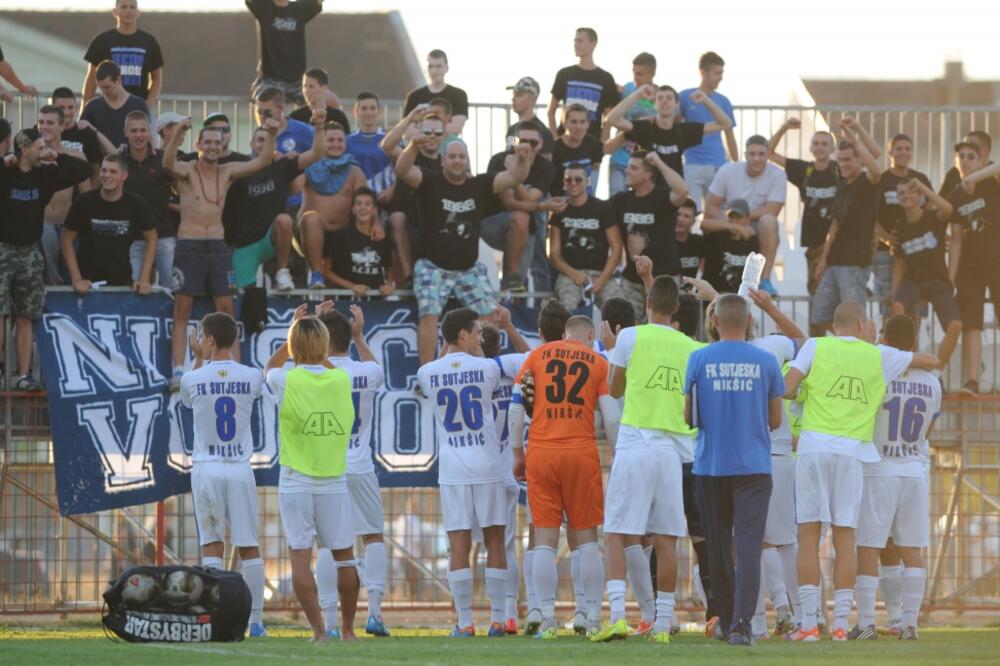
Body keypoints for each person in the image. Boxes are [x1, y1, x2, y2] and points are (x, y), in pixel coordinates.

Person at [783, 302, 939, 642]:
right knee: (846, 537)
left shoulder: (815, 345)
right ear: (859, 323)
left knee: (808, 535)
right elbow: (930, 361)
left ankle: (809, 623)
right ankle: (842, 623)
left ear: (835, 325)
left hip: (814, 446)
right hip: (855, 452)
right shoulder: (878, 356)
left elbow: (787, 387)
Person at [592, 276, 704, 643]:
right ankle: (662, 625)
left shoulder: (629, 337)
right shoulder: (691, 346)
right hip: (673, 451)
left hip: (636, 441)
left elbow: (615, 387)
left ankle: (619, 616)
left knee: (617, 530)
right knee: (668, 537)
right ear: (676, 308)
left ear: (648, 303)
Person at [512, 315, 620, 639]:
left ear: (563, 334)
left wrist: (518, 451)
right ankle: (589, 614)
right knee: (586, 539)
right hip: (580, 453)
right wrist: (618, 454)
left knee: (543, 540)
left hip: (542, 452)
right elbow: (611, 418)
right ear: (589, 334)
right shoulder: (597, 361)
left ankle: (545, 616)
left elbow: (516, 407)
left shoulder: (537, 354)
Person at [684, 294, 784, 645]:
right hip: (754, 467)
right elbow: (776, 419)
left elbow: (689, 418)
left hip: (710, 465)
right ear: (748, 322)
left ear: (714, 322)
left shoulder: (698, 358)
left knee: (718, 546)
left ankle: (725, 620)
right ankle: (744, 624)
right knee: (749, 545)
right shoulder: (767, 361)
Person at [264, 306, 359, 642]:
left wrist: (290, 339)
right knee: (345, 558)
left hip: (296, 480)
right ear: (324, 344)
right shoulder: (341, 378)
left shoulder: (286, 379)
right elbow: (330, 370)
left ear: (294, 348)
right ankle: (348, 630)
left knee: (300, 558)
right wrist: (320, 355)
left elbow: (269, 368)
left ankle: (319, 631)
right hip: (333, 480)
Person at [163, 117, 279, 390]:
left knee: (227, 310)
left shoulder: (227, 171)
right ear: (199, 145)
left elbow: (261, 162)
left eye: (217, 142)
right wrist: (176, 134)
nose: (213, 147)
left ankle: (235, 370)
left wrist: (272, 134)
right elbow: (167, 164)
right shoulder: (187, 170)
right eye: (208, 142)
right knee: (182, 310)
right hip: (190, 244)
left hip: (217, 245)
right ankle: (178, 371)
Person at [395, 135, 531, 365]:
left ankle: (486, 366)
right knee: (428, 314)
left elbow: (516, 176)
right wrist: (412, 147)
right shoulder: (430, 182)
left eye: (461, 156)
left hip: (469, 269)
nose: (457, 161)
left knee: (490, 314)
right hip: (433, 266)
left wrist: (522, 158)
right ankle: (427, 373)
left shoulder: (479, 185)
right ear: (443, 161)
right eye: (452, 156)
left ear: (467, 160)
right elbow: (402, 169)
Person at [416, 308, 508, 638]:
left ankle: (465, 621)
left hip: (453, 469)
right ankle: (498, 619)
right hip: (486, 464)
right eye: (477, 332)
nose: (481, 338)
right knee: (495, 539)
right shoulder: (486, 367)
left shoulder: (428, 372)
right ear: (464, 335)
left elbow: (433, 371)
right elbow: (485, 364)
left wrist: (449, 344)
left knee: (458, 544)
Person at [853, 314, 942, 641]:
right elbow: (928, 430)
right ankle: (909, 623)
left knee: (867, 547)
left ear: (886, 342)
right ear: (915, 343)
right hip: (913, 469)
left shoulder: (878, 372)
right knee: (912, 550)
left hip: (878, 467)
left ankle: (865, 623)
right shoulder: (933, 382)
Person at [179, 312, 267, 637]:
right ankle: (256, 621)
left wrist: (196, 359)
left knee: (211, 545)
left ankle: (215, 620)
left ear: (210, 340)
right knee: (250, 547)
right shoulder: (253, 376)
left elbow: (188, 400)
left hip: (207, 468)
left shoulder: (194, 377)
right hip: (240, 469)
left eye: (201, 336)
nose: (199, 341)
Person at [315, 303, 391, 638]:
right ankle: (374, 614)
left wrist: (313, 326)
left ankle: (330, 622)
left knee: (327, 544)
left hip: (327, 467)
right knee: (373, 535)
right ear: (350, 335)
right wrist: (360, 336)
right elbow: (375, 366)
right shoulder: (366, 373)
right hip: (359, 465)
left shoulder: (315, 372)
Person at [0, 128, 91, 391]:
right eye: (39, 148)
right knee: (2, 314)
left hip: (30, 251)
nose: (44, 151)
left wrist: (57, 155)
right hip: (3, 249)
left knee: (27, 314)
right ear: (24, 149)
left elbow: (83, 171)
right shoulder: (6, 172)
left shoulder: (45, 174)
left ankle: (24, 375)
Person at [227, 110, 326, 290]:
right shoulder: (239, 169)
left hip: (270, 238)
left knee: (284, 220)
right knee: (238, 294)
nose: (262, 144)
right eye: (259, 140)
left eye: (267, 140)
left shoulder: (281, 166)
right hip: (245, 242)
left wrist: (319, 127)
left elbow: (316, 154)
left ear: (274, 144)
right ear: (251, 144)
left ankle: (282, 271)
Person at [477, 308, 532, 634]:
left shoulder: (476, 370)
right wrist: (510, 325)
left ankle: (486, 613)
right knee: (507, 544)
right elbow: (532, 355)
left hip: (484, 466)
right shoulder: (511, 366)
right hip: (510, 461)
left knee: (481, 544)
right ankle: (510, 611)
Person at [810, 124, 884, 333]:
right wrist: (823, 259)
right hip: (833, 262)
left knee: (855, 319)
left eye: (848, 159)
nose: (843, 164)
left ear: (859, 160)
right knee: (820, 316)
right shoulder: (842, 186)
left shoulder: (866, 183)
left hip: (855, 263)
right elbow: (835, 224)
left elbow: (877, 171)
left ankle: (865, 351)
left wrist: (857, 141)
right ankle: (851, 345)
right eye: (840, 159)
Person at [888, 178, 961, 367]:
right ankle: (907, 364)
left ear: (920, 195)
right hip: (913, 280)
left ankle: (936, 370)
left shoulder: (932, 218)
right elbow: (899, 261)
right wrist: (894, 291)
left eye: (911, 191)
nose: (906, 195)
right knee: (897, 307)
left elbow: (948, 210)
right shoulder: (900, 225)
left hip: (937, 281)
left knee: (955, 326)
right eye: (902, 193)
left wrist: (923, 187)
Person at [482, 120, 561, 291]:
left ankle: (512, 292)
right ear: (514, 142)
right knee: (521, 216)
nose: (527, 147)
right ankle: (510, 278)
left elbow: (530, 200)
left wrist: (514, 176)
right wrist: (542, 207)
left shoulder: (545, 167)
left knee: (517, 286)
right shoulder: (499, 160)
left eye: (532, 142)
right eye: (522, 141)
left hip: (524, 228)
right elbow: (509, 202)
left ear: (540, 145)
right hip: (491, 222)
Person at [946, 146, 1000, 396]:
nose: (965, 160)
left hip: (997, 261)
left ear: (980, 161)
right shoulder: (956, 194)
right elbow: (955, 239)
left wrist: (974, 177)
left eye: (971, 157)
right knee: (972, 324)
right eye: (962, 157)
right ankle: (972, 381)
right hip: (970, 268)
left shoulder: (990, 182)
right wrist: (950, 278)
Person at [702, 135, 786, 295]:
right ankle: (705, 274)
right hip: (728, 218)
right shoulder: (728, 170)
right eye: (752, 154)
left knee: (769, 221)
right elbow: (711, 204)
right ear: (745, 154)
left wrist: (743, 221)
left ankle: (765, 280)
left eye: (761, 154)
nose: (756, 158)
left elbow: (772, 210)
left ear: (768, 155)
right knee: (708, 221)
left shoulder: (778, 175)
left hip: (755, 223)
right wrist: (732, 223)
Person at [612, 151, 690, 323]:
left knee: (664, 328)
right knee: (630, 328)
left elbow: (683, 190)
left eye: (633, 168)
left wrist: (659, 162)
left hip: (664, 278)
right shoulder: (621, 200)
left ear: (647, 174)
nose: (627, 170)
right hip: (632, 279)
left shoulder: (662, 196)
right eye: (627, 166)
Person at [61, 154, 157, 293]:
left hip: (122, 282)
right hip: (87, 284)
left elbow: (152, 237)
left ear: (124, 175)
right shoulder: (83, 202)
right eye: (104, 170)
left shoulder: (137, 204)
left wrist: (144, 278)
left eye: (113, 171)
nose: (107, 175)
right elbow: (66, 239)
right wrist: (76, 278)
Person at [769, 118, 838, 304]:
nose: (820, 147)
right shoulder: (804, 170)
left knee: (839, 296)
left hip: (840, 242)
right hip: (814, 243)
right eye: (816, 143)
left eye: (825, 144)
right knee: (818, 296)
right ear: (810, 148)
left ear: (832, 149)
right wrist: (784, 127)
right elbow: (769, 153)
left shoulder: (840, 170)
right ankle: (820, 333)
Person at [608, 84, 731, 181]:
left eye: (669, 98)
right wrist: (638, 94)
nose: (664, 101)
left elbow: (725, 123)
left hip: (673, 193)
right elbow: (612, 119)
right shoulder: (645, 127)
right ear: (655, 105)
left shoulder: (683, 130)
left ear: (676, 104)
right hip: (647, 190)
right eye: (660, 98)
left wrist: (706, 100)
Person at [380, 109, 447, 286]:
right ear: (419, 132)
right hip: (405, 223)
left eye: (437, 132)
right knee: (398, 218)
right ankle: (409, 277)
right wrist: (409, 118)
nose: (432, 136)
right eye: (427, 132)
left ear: (443, 135)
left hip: (434, 224)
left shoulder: (447, 164)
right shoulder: (409, 155)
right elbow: (387, 146)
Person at [297, 121, 368, 288]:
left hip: (342, 236)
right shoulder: (307, 165)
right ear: (320, 141)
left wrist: (375, 225)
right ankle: (315, 274)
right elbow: (292, 189)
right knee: (312, 218)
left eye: (340, 140)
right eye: (330, 140)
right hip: (308, 232)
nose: (335, 144)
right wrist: (295, 164)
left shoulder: (355, 171)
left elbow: (365, 203)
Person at [548, 164, 623, 310]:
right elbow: (554, 255)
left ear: (587, 182)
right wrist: (573, 274)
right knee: (567, 308)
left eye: (578, 179)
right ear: (564, 183)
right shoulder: (559, 210)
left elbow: (617, 247)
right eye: (568, 180)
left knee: (619, 308)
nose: (573, 183)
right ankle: (567, 334)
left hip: (601, 272)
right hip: (569, 274)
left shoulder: (602, 207)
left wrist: (603, 279)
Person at [876, 134, 932, 317]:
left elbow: (930, 212)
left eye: (907, 149)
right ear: (890, 152)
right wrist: (886, 237)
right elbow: (870, 217)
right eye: (899, 148)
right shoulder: (881, 180)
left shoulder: (920, 179)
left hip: (914, 251)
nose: (904, 152)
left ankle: (911, 345)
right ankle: (888, 343)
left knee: (915, 304)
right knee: (888, 302)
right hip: (885, 252)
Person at [37, 104, 93, 286]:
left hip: (68, 224)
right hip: (42, 224)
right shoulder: (32, 156)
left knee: (69, 275)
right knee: (46, 277)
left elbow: (87, 194)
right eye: (41, 122)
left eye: (50, 122)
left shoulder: (74, 156)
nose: (44, 126)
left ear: (62, 126)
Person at [121, 110, 176, 289]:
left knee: (172, 288)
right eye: (134, 131)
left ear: (150, 131)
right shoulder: (119, 161)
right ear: (125, 132)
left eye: (142, 130)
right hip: (132, 238)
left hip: (164, 235)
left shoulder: (162, 159)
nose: (138, 135)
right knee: (134, 287)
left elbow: (181, 187)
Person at [679, 52, 739, 211]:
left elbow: (730, 136)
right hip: (693, 164)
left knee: (717, 213)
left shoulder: (723, 101)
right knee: (691, 212)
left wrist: (737, 165)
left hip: (719, 165)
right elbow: (674, 127)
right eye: (717, 73)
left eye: (722, 73)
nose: (720, 77)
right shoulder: (685, 96)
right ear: (703, 72)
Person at [83, 0, 163, 107]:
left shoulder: (149, 41)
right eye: (124, 7)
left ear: (138, 12)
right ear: (115, 11)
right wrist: (85, 109)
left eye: (132, 7)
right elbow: (91, 78)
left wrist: (147, 106)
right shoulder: (101, 41)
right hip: (109, 107)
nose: (128, 11)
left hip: (138, 107)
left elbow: (157, 79)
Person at [547, 27, 619, 141]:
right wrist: (555, 138)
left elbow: (608, 119)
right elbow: (551, 111)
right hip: (565, 141)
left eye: (580, 41)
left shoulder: (605, 78)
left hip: (591, 143)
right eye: (575, 41)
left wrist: (601, 145)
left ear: (593, 44)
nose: (576, 44)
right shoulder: (564, 74)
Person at [247, 0, 323, 104]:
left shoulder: (300, 9)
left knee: (325, 99)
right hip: (270, 79)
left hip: (297, 81)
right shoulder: (264, 7)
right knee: (264, 103)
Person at [322, 187, 394, 295]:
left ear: (374, 209)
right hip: (347, 301)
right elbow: (326, 271)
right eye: (359, 204)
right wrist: (352, 286)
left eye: (368, 204)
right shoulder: (340, 236)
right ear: (353, 209)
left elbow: (389, 266)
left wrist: (388, 284)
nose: (363, 208)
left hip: (376, 302)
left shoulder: (383, 237)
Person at [609, 53, 657, 196]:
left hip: (644, 163)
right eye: (634, 73)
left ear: (652, 73)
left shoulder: (660, 97)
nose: (636, 77)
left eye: (640, 74)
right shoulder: (626, 89)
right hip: (620, 157)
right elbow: (610, 114)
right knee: (616, 201)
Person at [80, 60, 150, 150]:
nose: (104, 92)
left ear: (119, 80)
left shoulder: (138, 105)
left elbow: (148, 137)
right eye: (101, 88)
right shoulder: (92, 107)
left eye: (107, 87)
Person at [404, 49, 469, 136]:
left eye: (438, 66)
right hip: (421, 146)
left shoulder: (459, 95)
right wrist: (441, 128)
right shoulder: (414, 96)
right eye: (431, 66)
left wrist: (421, 126)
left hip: (447, 146)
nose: (434, 71)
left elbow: (456, 128)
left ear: (446, 68)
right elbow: (407, 130)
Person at [345, 92, 394, 204]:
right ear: (356, 112)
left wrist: (392, 190)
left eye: (372, 108)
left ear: (379, 111)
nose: (368, 112)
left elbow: (402, 170)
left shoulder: (390, 140)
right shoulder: (346, 141)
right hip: (355, 204)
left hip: (385, 201)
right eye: (364, 108)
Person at [703, 199, 759, 294]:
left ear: (747, 219)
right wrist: (736, 227)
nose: (734, 221)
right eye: (731, 217)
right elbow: (703, 224)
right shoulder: (718, 235)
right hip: (715, 296)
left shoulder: (752, 241)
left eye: (739, 218)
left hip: (739, 298)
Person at [551, 104, 608, 196]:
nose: (578, 126)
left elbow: (607, 148)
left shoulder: (592, 143)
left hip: (586, 201)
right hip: (562, 202)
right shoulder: (554, 148)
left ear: (588, 124)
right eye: (574, 122)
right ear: (565, 123)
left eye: (582, 122)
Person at [674, 198, 705, 336]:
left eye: (686, 216)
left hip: (691, 303)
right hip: (670, 303)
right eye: (678, 214)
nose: (680, 219)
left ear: (693, 221)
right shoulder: (664, 242)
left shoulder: (699, 242)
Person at [505, 77, 554, 158]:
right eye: (513, 94)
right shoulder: (512, 129)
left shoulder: (543, 132)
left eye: (519, 95)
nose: (513, 99)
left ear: (533, 99)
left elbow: (546, 166)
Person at [940, 130, 992, 196]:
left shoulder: (995, 175)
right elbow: (942, 201)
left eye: (972, 145)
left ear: (985, 151)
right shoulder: (954, 173)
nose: (966, 148)